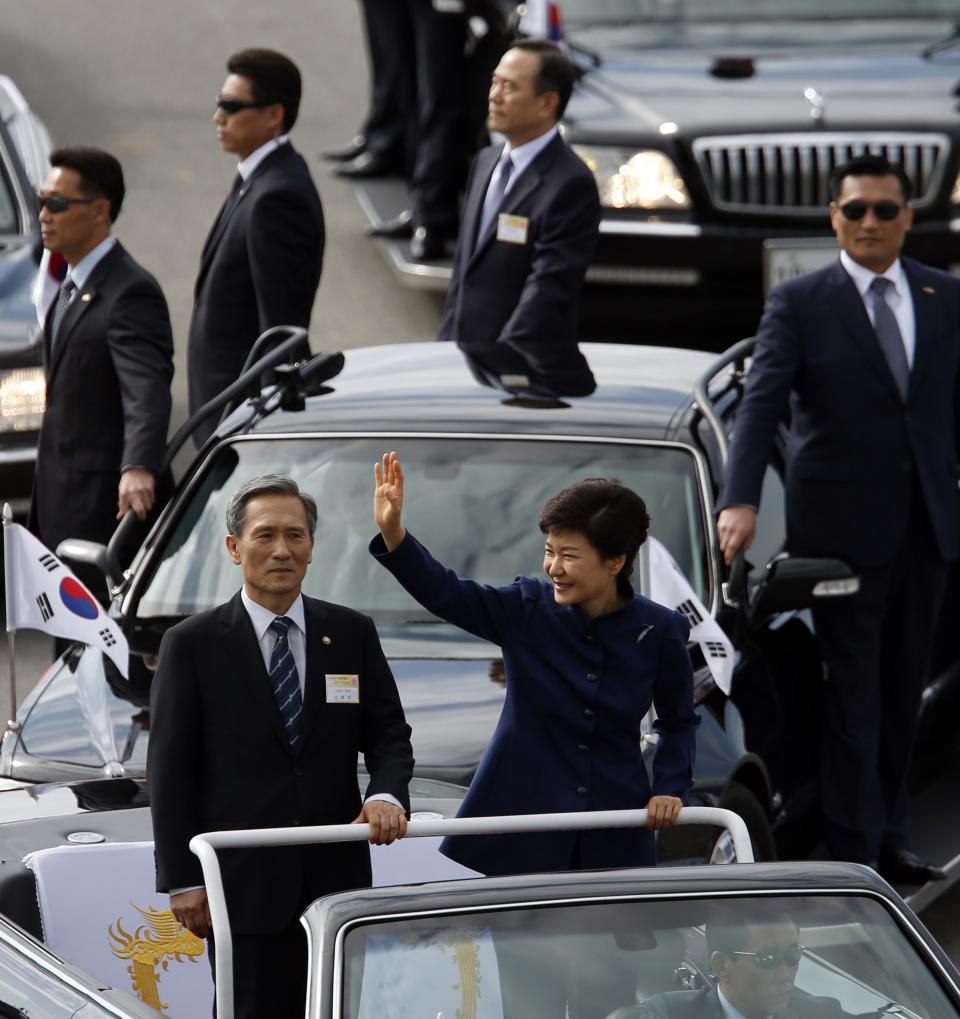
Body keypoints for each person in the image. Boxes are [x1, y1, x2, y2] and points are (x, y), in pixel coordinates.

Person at [716, 154, 960, 883]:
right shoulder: (801, 302)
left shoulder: (943, 295)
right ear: (834, 217)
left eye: (886, 210)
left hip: (927, 528)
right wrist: (741, 497)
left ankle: (889, 830)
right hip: (843, 536)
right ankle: (855, 851)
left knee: (902, 689)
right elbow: (760, 404)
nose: (870, 223)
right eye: (856, 210)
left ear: (908, 216)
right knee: (855, 692)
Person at [148, 475, 413, 1019]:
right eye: (265, 535)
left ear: (312, 548)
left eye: (295, 535)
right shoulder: (191, 644)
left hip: (336, 893)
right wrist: (182, 879)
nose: (281, 550)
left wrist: (388, 794)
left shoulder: (351, 632)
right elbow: (170, 771)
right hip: (241, 889)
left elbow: (389, 735)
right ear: (233, 548)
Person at [370, 451, 698, 876]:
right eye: (550, 551)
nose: (554, 568)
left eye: (570, 556)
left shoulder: (660, 628)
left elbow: (678, 721)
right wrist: (394, 533)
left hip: (614, 826)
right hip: (521, 825)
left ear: (615, 562)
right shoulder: (526, 608)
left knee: (617, 941)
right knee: (522, 941)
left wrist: (670, 789)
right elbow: (446, 592)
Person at [28, 146, 173, 559]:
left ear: (99, 210)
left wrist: (139, 466)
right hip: (59, 497)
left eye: (56, 204)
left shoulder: (130, 292)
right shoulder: (66, 287)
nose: (44, 214)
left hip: (101, 507)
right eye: (42, 202)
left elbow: (146, 387)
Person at [436, 38, 600, 398]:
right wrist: (440, 353)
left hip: (523, 380)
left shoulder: (569, 183)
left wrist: (502, 368)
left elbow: (548, 289)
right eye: (494, 82)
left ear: (546, 103)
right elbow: (464, 275)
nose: (494, 95)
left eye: (509, 87)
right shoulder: (485, 162)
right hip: (464, 368)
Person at [188, 49, 325, 444]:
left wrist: (264, 429)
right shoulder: (256, 178)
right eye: (219, 104)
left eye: (231, 107)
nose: (218, 117)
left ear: (272, 115)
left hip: (242, 416)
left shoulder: (278, 197)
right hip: (223, 405)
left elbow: (280, 327)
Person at [640, 907, 850, 1019]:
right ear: (721, 966)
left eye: (793, 956)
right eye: (768, 959)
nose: (786, 975)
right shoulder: (671, 1014)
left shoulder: (821, 1013)